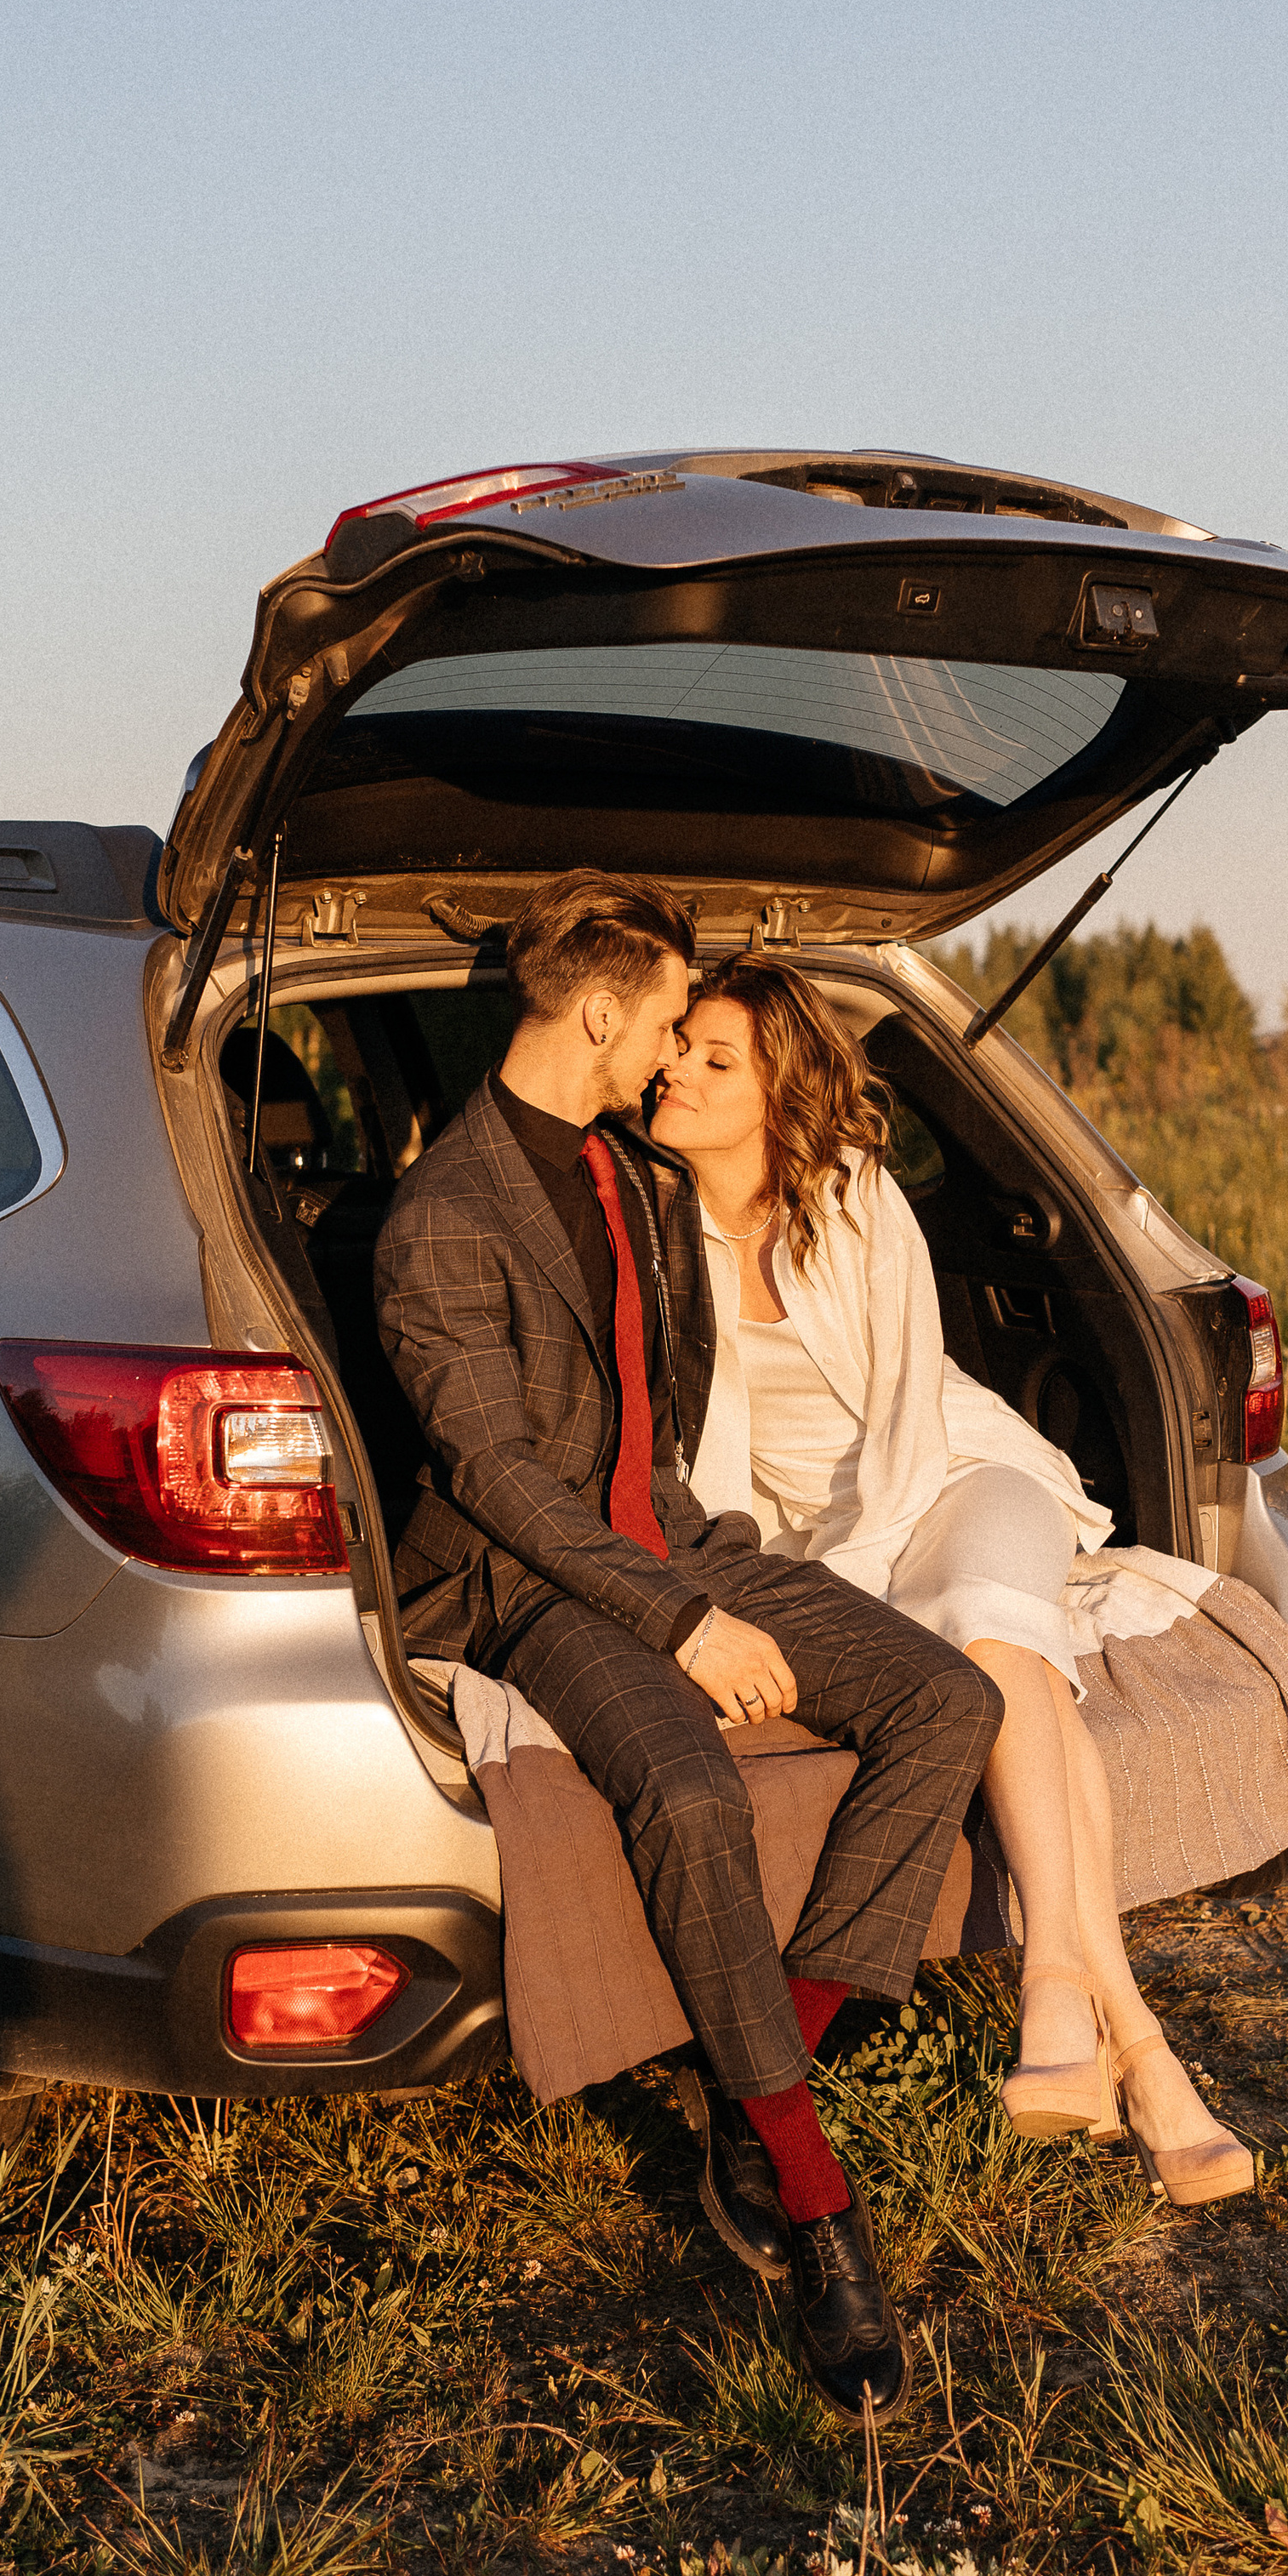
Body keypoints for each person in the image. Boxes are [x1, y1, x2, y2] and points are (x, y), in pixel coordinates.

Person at [374, 873, 1004, 2419]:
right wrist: (683, 1623)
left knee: (948, 1698)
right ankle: (815, 2203)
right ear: (598, 1010)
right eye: (662, 1020)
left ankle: (757, 2066)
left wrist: (716, 1573)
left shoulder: (634, 1177)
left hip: (675, 1537)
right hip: (533, 1587)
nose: (669, 1053)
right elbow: (502, 1483)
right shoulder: (438, 1217)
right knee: (693, 1792)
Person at [649, 956, 1255, 2207]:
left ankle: (1054, 1985)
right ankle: (1132, 2045)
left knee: (985, 1623)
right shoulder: (655, 1226)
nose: (676, 1070)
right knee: (1012, 1662)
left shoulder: (859, 1199)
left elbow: (909, 1427)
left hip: (956, 1475)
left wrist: (859, 1592)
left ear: (778, 1095)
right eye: (678, 1048)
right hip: (801, 1542)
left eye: (717, 1060)